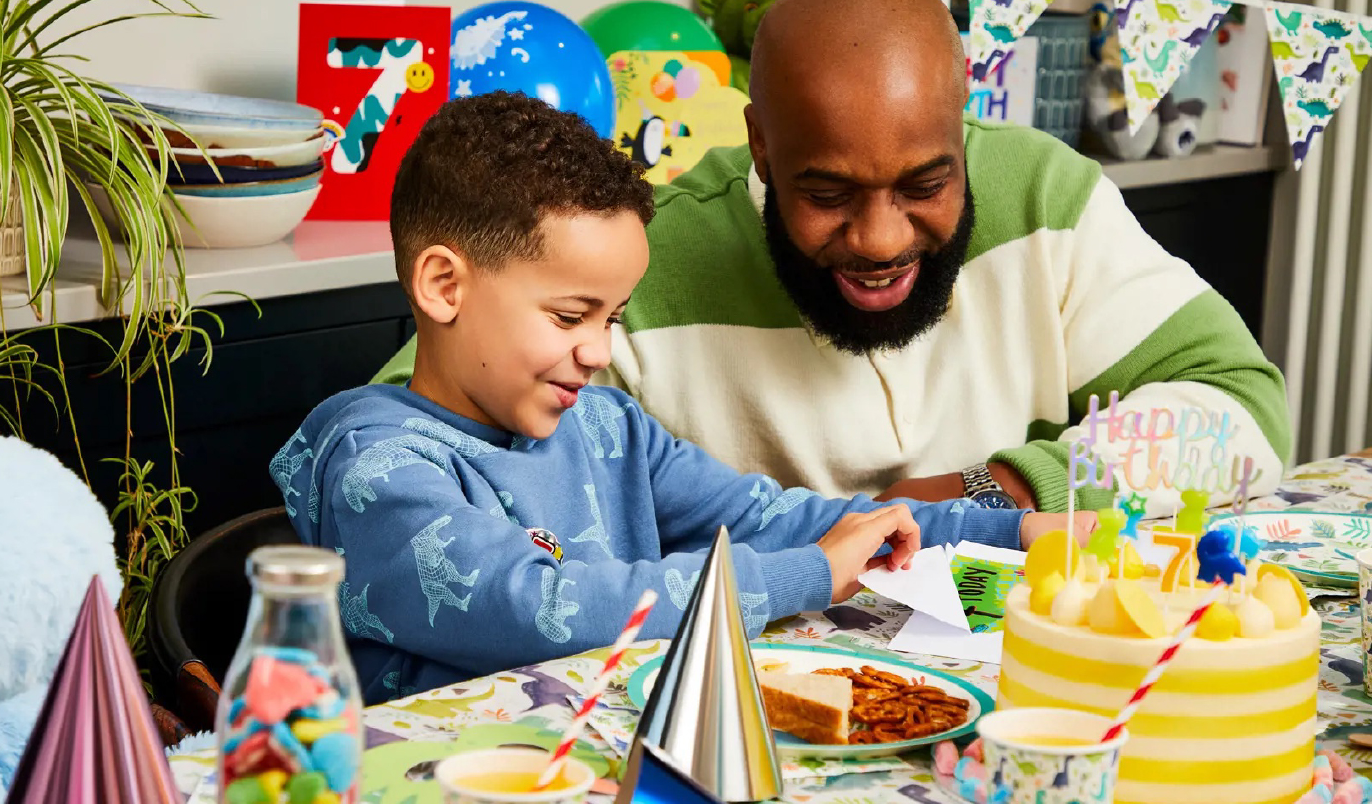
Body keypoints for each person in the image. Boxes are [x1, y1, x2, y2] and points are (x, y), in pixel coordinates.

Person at [375, 0, 1290, 520]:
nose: (882, 239)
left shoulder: (1046, 196)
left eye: (926, 184)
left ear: (962, 124)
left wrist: (998, 486)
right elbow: (399, 441)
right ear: (761, 146)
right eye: (827, 194)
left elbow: (1245, 410)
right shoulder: (643, 259)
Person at [273, 91, 1092, 703]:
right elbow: (538, 609)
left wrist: (1012, 530)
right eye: (569, 315)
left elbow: (776, 517)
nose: (597, 350)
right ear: (445, 286)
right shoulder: (375, 467)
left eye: (614, 316)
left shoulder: (605, 427)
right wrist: (806, 575)